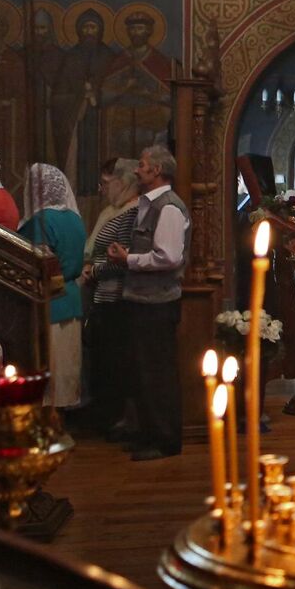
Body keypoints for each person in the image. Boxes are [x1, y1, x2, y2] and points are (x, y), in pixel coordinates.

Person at [106, 143, 190, 461]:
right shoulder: (149, 203)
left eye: (142, 165)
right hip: (142, 299)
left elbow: (168, 256)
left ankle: (165, 439)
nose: (137, 170)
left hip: (157, 301)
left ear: (156, 171)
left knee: (157, 373)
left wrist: (129, 259)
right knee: (142, 372)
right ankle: (148, 433)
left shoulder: (168, 206)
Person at [17, 164, 87, 411]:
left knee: (46, 370)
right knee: (66, 369)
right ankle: (60, 427)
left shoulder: (40, 222)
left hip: (47, 303)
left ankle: (44, 429)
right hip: (71, 300)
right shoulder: (74, 219)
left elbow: (32, 265)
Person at [83, 157, 139, 441]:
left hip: (118, 297)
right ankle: (106, 416)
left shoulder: (131, 212)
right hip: (103, 295)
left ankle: (117, 418)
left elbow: (121, 258)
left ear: (124, 181)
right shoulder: (112, 210)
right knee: (105, 362)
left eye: (107, 183)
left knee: (116, 363)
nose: (102, 189)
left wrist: (94, 269)